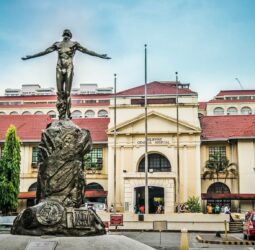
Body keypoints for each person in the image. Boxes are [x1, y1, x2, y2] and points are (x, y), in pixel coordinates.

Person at [22, 29, 110, 119]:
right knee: (60, 92)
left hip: (69, 67)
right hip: (59, 67)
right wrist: (31, 56)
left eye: (67, 34)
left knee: (67, 92)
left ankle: (68, 113)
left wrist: (100, 55)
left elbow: (86, 51)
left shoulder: (74, 44)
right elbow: (45, 52)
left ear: (70, 36)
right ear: (63, 35)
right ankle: (61, 114)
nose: (66, 35)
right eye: (65, 34)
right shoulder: (57, 44)